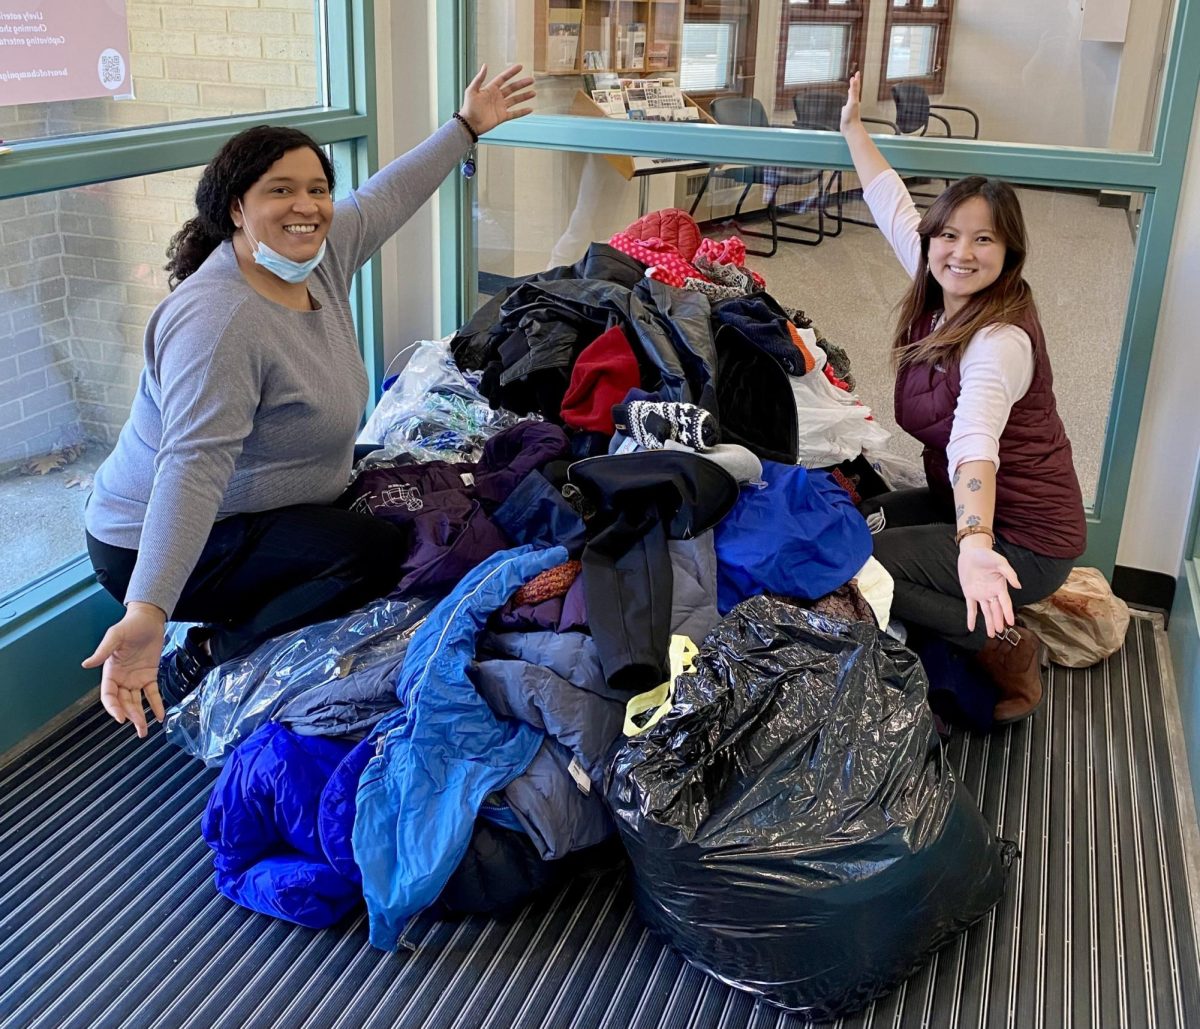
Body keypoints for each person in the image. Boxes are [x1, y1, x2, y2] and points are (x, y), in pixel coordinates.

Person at [82, 65, 535, 738]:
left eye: (318, 189)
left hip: (247, 497)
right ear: (237, 206)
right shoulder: (219, 322)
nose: (307, 205)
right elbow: (192, 467)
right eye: (281, 191)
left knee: (404, 475)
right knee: (370, 551)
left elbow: (390, 194)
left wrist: (465, 126)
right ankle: (206, 652)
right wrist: (150, 608)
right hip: (154, 536)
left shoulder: (314, 254)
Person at [839, 71, 1086, 724]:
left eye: (984, 239)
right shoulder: (936, 281)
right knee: (862, 518)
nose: (961, 251)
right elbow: (891, 202)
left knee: (863, 558)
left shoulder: (999, 338)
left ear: (1010, 254)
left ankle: (1002, 642)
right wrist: (853, 130)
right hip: (975, 509)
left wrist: (975, 543)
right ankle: (966, 609)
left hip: (1027, 536)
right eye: (950, 233)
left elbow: (976, 441)